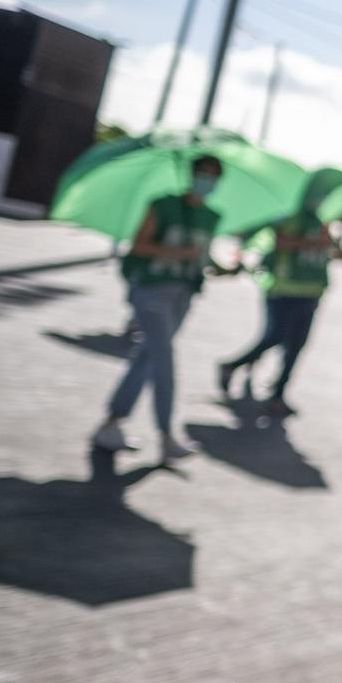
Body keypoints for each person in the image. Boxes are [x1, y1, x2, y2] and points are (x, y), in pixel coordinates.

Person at [93, 155, 225, 460]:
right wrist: (178, 252)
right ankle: (166, 434)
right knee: (163, 359)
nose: (207, 181)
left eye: (213, 176)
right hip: (152, 290)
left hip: (183, 294)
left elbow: (201, 256)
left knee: (147, 357)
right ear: (192, 174)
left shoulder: (212, 216)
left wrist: (217, 265)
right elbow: (139, 245)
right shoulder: (163, 204)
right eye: (203, 173)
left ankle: (111, 423)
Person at [216, 204, 342, 415]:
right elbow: (279, 241)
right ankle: (233, 365)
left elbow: (333, 251)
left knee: (297, 344)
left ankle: (278, 394)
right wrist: (313, 243)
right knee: (274, 336)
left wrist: (327, 240)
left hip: (311, 292)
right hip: (282, 289)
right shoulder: (288, 216)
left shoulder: (322, 222)